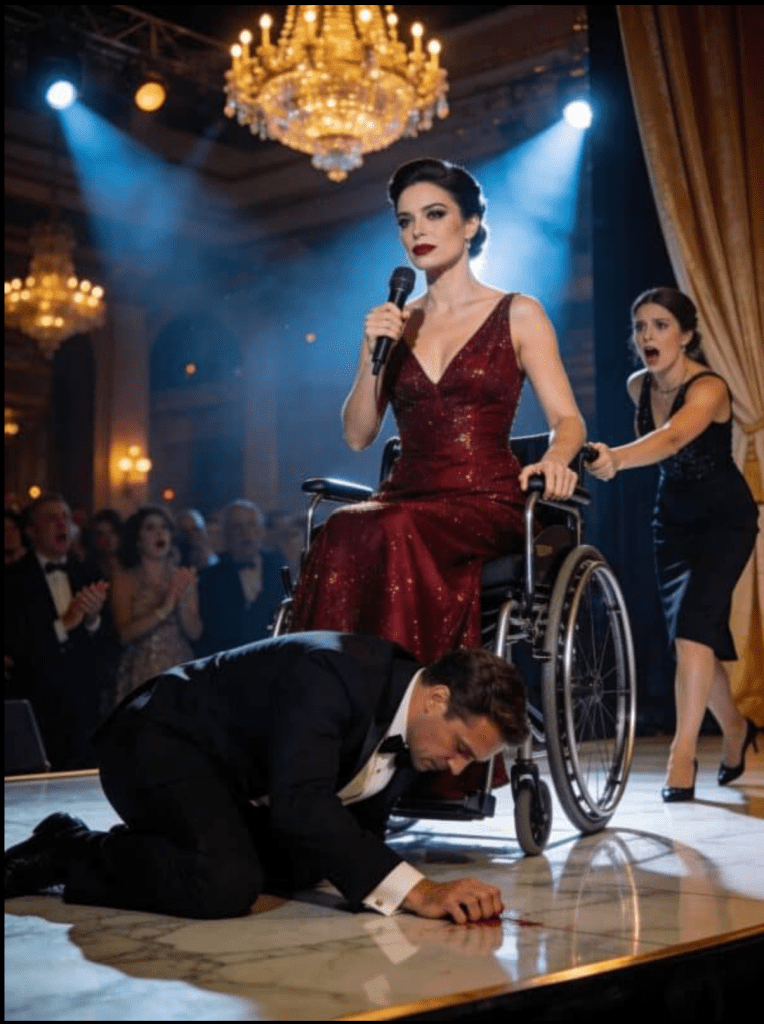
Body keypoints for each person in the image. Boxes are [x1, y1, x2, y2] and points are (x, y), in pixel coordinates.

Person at [288, 158, 585, 796]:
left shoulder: (518, 312)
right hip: (407, 497)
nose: (417, 231)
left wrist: (557, 459)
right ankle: (328, 740)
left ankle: (406, 744)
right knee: (344, 526)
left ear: (471, 224)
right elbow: (358, 434)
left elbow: (568, 420)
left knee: (391, 528)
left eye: (434, 215)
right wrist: (373, 354)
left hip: (485, 498)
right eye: (405, 221)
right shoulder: (394, 321)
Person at [4, 633, 528, 924]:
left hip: (228, 779)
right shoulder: (335, 675)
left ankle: (163, 847)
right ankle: (72, 848)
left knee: (306, 866)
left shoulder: (417, 731)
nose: (457, 769)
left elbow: (350, 833)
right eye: (462, 748)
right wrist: (420, 892)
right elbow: (302, 804)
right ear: (436, 698)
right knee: (226, 885)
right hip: (156, 742)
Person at [586, 287, 760, 801]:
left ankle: (681, 755)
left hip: (724, 520)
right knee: (694, 638)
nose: (648, 335)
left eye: (660, 325)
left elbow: (672, 439)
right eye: (640, 326)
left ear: (685, 336)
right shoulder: (637, 385)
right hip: (672, 523)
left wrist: (616, 459)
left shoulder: (710, 388)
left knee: (692, 631)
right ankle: (736, 730)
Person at [4, 494, 110, 769]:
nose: (62, 523)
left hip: (84, 705)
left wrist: (92, 620)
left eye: (65, 517)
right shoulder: (12, 580)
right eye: (52, 518)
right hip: (37, 704)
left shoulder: (89, 572)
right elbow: (15, 647)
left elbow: (109, 644)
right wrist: (64, 624)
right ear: (31, 531)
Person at [109, 506, 202, 710]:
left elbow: (195, 633)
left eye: (164, 527)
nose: (160, 533)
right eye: (150, 528)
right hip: (140, 672)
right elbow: (124, 635)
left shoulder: (183, 577)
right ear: (138, 539)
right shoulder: (124, 581)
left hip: (178, 667)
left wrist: (181, 601)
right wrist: (164, 609)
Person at [196, 499, 285, 656]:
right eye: (237, 527)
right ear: (226, 534)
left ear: (261, 530)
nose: (245, 532)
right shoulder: (210, 578)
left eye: (251, 525)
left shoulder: (280, 566)